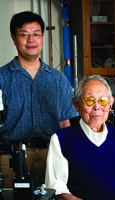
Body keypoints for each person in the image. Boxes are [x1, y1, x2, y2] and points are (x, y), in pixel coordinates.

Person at [0, 11, 78, 188]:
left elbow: (66, 122)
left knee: (52, 196)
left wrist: (69, 155)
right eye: (24, 34)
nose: (31, 40)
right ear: (14, 38)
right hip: (11, 156)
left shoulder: (57, 79)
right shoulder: (2, 77)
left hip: (51, 153)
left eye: (36, 34)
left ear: (42, 37)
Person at [45, 75, 115, 200]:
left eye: (102, 101)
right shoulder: (61, 139)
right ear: (76, 104)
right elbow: (57, 187)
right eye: (89, 100)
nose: (97, 107)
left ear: (110, 103)